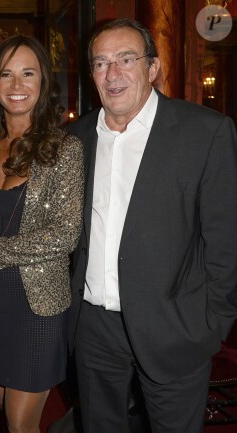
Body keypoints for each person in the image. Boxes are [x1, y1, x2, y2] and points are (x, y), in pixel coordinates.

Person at [67, 18, 237, 433]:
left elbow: (226, 240)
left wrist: (211, 326)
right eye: (101, 63)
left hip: (175, 328)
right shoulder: (74, 139)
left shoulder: (205, 132)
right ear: (91, 74)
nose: (113, 73)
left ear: (154, 68)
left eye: (126, 59)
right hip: (94, 329)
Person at [0, 35, 84, 433]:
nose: (17, 85)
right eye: (6, 74)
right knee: (8, 415)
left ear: (43, 82)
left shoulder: (64, 148)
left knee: (21, 425)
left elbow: (65, 233)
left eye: (28, 73)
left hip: (36, 308)